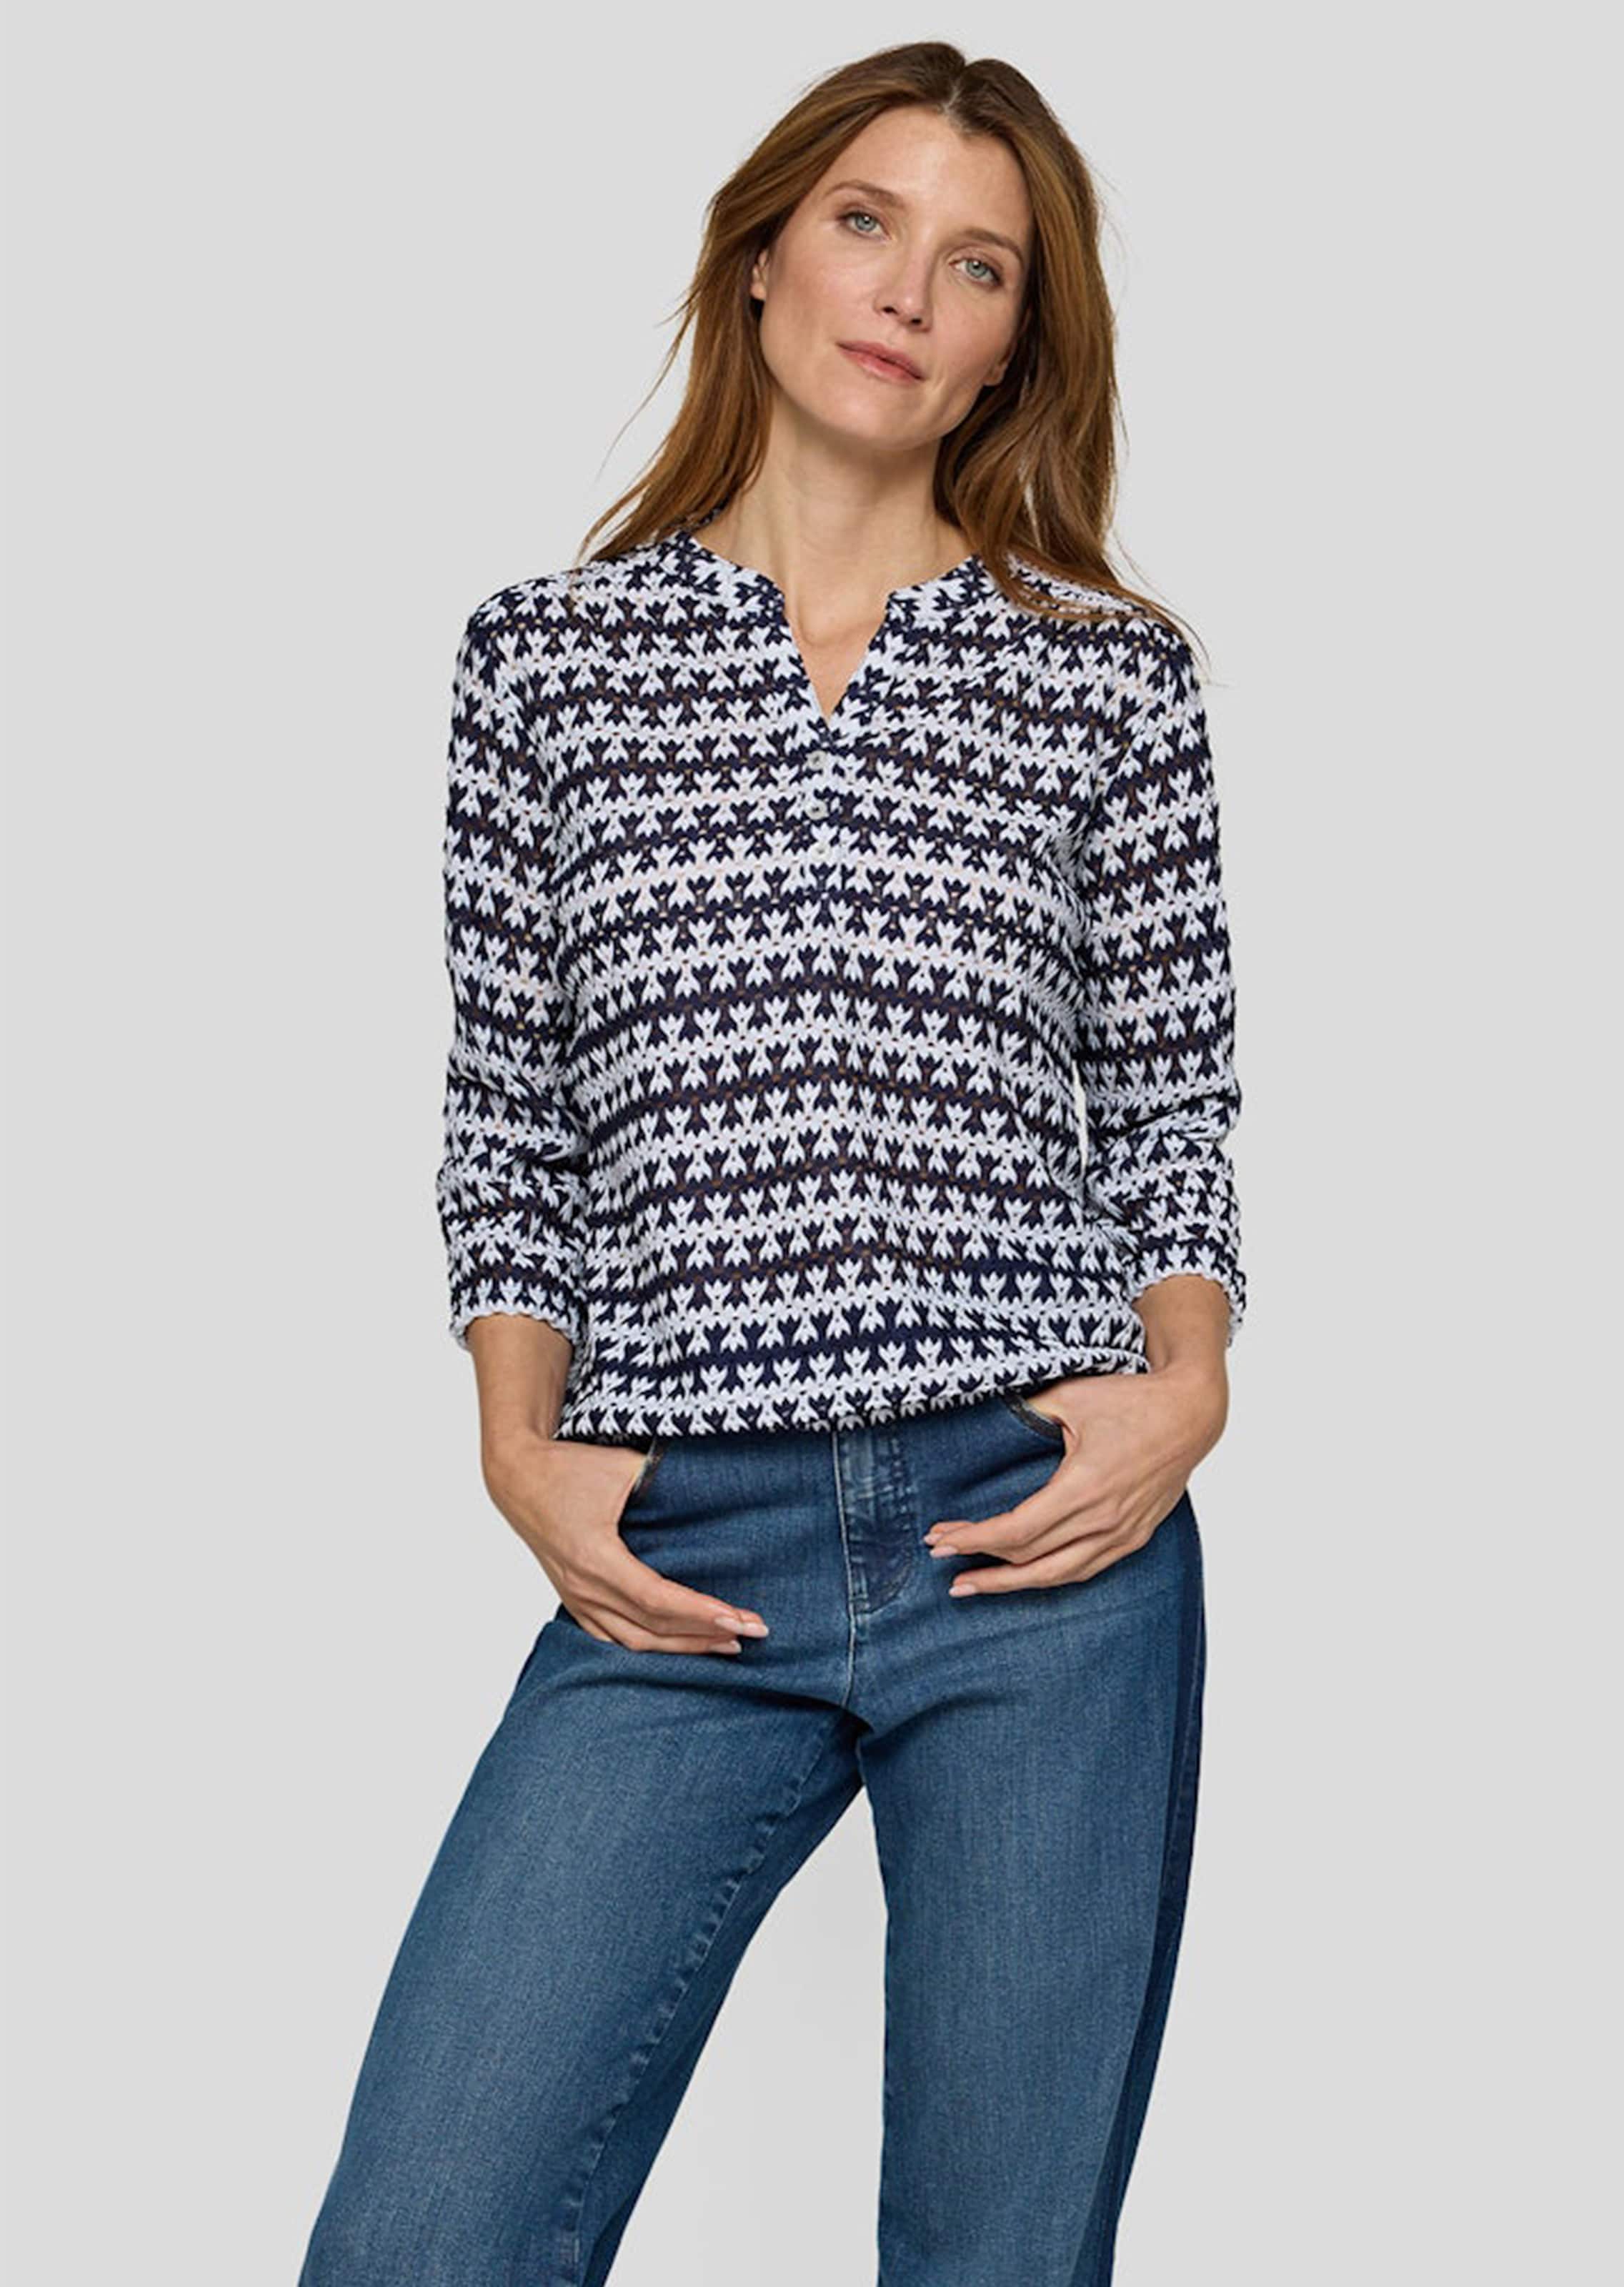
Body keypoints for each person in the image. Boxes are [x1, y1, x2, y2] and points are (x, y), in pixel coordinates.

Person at [298, 39, 1245, 2287]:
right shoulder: (546, 663)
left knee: (995, 2259)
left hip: (1038, 1542)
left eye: (978, 265)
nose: (907, 290)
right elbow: (515, 1103)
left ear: (1016, 341)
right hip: (680, 1554)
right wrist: (516, 1440)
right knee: (419, 2240)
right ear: (758, 259)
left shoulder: (1104, 679)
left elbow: (1171, 1098)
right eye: (863, 222)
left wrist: (1185, 1383)